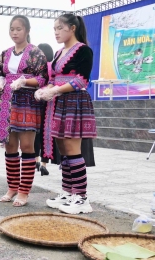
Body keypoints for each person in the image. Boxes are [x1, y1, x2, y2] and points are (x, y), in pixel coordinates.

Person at [36, 13, 97, 214]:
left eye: (60, 28)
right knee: (63, 149)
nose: (56, 32)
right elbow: (53, 78)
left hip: (74, 103)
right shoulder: (59, 53)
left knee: (73, 149)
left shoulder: (84, 51)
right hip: (59, 103)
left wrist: (55, 90)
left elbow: (81, 81)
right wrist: (46, 89)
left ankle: (81, 197)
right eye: (54, 29)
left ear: (72, 28)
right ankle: (68, 192)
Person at [0, 15, 48, 207]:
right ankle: (12, 187)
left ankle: (24, 191)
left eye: (18, 29)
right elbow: (0, 74)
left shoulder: (36, 53)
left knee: (26, 146)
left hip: (26, 102)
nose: (14, 32)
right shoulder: (4, 53)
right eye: (12, 29)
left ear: (27, 30)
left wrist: (24, 81)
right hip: (7, 102)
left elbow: (42, 79)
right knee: (9, 146)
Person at [34, 43, 55, 176]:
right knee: (46, 134)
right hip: (49, 103)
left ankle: (35, 160)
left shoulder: (37, 67)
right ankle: (44, 164)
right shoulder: (53, 66)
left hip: (36, 102)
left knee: (35, 133)